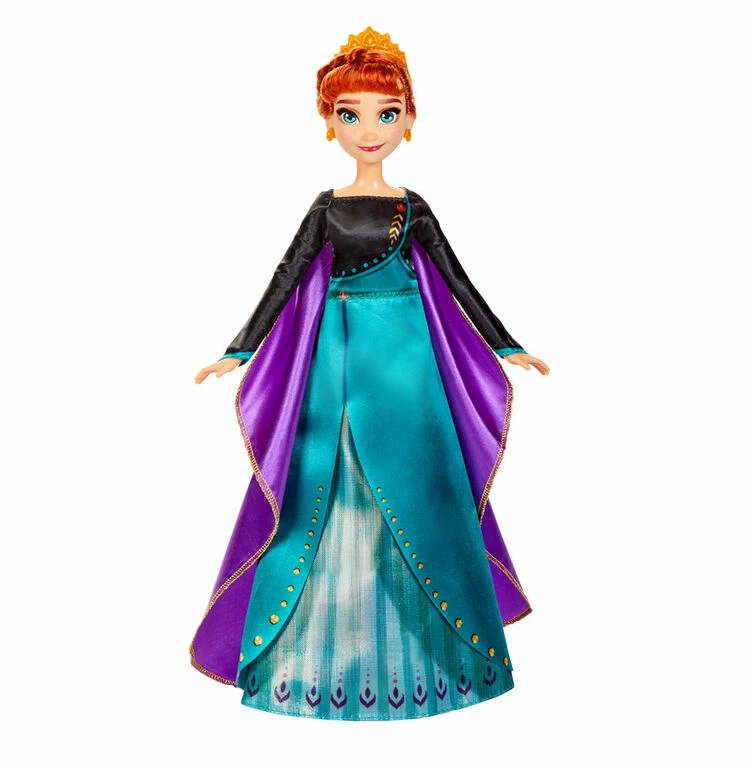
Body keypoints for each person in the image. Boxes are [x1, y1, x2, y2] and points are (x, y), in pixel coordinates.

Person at [190, 27, 549, 720]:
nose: (369, 129)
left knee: (423, 484)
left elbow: (457, 280)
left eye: (386, 113)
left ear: (409, 119)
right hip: (336, 355)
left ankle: (441, 663)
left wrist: (505, 345)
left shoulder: (412, 208)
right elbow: (287, 276)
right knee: (324, 481)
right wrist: (241, 348)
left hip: (407, 360)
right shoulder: (326, 207)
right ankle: (312, 662)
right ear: (329, 123)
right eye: (350, 114)